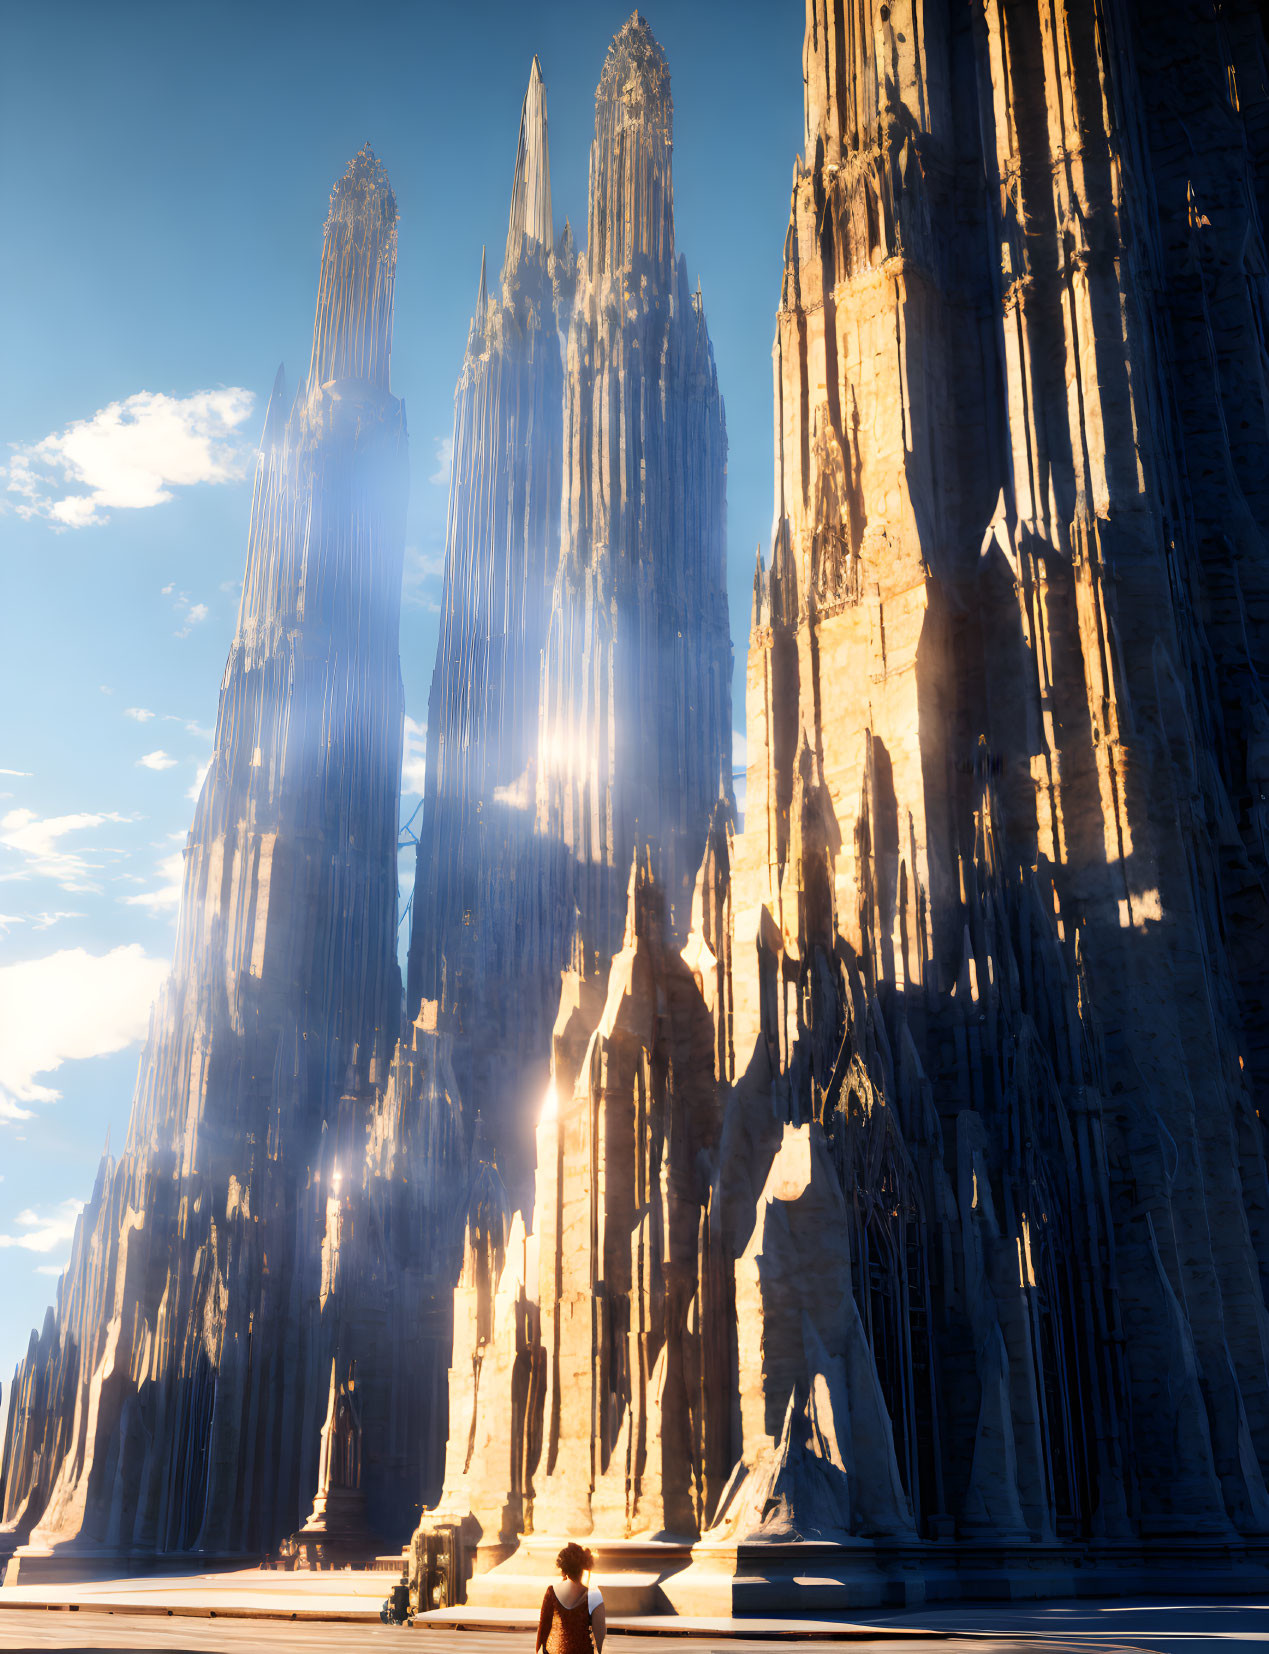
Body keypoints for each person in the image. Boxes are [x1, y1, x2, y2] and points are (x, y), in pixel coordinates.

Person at [535, 1542, 605, 1654]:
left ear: (563, 1568)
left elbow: (543, 1629)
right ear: (584, 1568)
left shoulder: (551, 1592)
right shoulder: (594, 1595)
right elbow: (600, 1637)